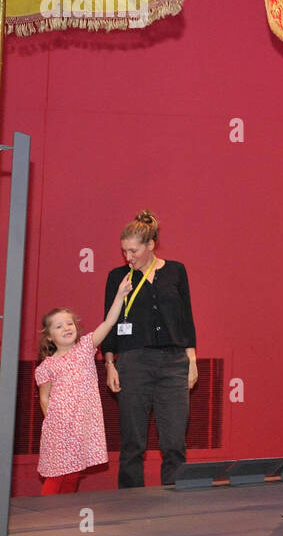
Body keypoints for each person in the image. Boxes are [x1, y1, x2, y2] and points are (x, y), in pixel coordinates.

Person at [100, 210, 199, 487]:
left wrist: (191, 359)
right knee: (132, 444)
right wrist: (110, 364)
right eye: (124, 251)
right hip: (133, 362)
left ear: (151, 245)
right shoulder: (118, 277)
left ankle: (174, 503)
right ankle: (130, 506)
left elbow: (186, 317)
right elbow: (109, 321)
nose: (128, 257)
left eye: (133, 250)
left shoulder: (176, 271)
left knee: (174, 443)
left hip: (174, 362)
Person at [35, 275, 133, 495]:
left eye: (69, 323)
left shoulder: (85, 348)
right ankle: (46, 515)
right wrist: (55, 424)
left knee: (73, 473)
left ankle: (67, 512)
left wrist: (119, 295)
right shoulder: (47, 366)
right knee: (56, 474)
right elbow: (44, 397)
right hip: (59, 427)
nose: (66, 328)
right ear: (49, 337)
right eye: (59, 326)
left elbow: (109, 322)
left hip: (82, 424)